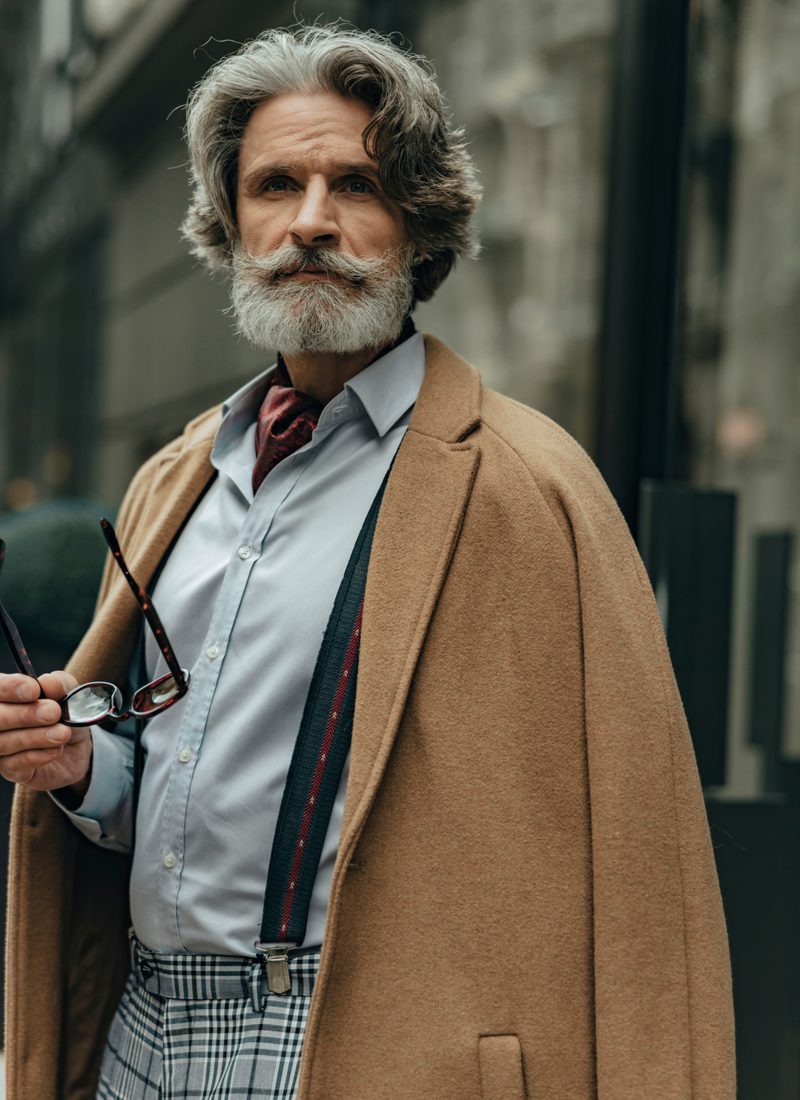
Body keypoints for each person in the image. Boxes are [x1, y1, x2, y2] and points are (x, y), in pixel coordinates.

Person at [1, 24, 735, 1100]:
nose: (309, 221)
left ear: (417, 220)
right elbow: (184, 777)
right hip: (141, 1027)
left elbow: (637, 863)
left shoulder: (528, 487)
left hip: (363, 1045)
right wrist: (82, 768)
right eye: (274, 185)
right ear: (229, 221)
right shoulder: (181, 474)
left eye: (354, 184)